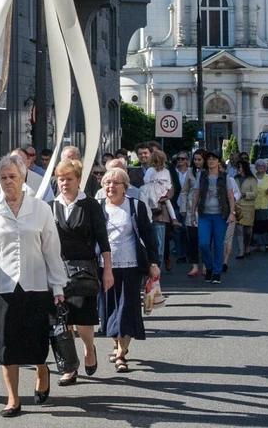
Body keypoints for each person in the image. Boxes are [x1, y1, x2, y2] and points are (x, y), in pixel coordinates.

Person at [0, 154, 68, 418]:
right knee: (5, 343)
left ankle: (41, 369)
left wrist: (58, 287)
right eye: (3, 178)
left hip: (35, 284)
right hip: (3, 286)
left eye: (13, 176)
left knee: (35, 339)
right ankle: (13, 398)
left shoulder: (41, 208)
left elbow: (52, 251)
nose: (8, 182)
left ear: (23, 178)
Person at [51, 158, 112, 386]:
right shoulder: (51, 206)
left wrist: (108, 270)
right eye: (60, 179)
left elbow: (102, 239)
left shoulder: (90, 205)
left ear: (78, 180)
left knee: (83, 319)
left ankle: (89, 348)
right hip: (57, 270)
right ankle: (69, 366)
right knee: (62, 319)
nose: (64, 183)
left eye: (69, 179)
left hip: (84, 269)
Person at [97, 168, 160, 373]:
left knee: (127, 310)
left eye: (116, 183)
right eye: (107, 183)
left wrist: (152, 262)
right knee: (108, 311)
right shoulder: (97, 208)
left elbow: (149, 237)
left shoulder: (135, 206)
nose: (111, 187)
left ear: (125, 187)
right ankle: (116, 344)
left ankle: (121, 354)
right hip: (104, 267)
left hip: (131, 266)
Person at [190, 151, 239, 283]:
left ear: (219, 162)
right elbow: (196, 194)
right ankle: (209, 267)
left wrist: (232, 213)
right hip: (204, 214)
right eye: (209, 159)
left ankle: (217, 272)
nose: (211, 161)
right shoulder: (202, 176)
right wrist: (192, 213)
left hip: (220, 215)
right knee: (203, 243)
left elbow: (230, 196)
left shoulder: (224, 176)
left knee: (218, 244)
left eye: (214, 159)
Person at [141, 149, 176, 267]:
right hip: (152, 207)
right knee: (153, 242)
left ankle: (157, 268)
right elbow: (146, 182)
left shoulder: (165, 171)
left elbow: (170, 187)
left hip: (161, 210)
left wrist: (165, 195)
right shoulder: (155, 171)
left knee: (159, 243)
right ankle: (153, 266)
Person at [232, 161, 258, 260]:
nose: (238, 169)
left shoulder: (252, 179)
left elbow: (255, 193)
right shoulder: (235, 179)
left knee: (248, 231)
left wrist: (245, 194)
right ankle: (241, 251)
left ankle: (247, 245)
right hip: (237, 206)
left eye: (239, 167)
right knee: (238, 230)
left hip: (249, 207)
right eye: (237, 167)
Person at [251, 159, 268, 252]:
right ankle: (257, 244)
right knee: (256, 225)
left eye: (262, 166)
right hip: (255, 205)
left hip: (266, 204)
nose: (260, 167)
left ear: (266, 167)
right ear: (256, 167)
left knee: (266, 225)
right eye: (258, 166)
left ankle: (267, 244)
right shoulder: (252, 178)